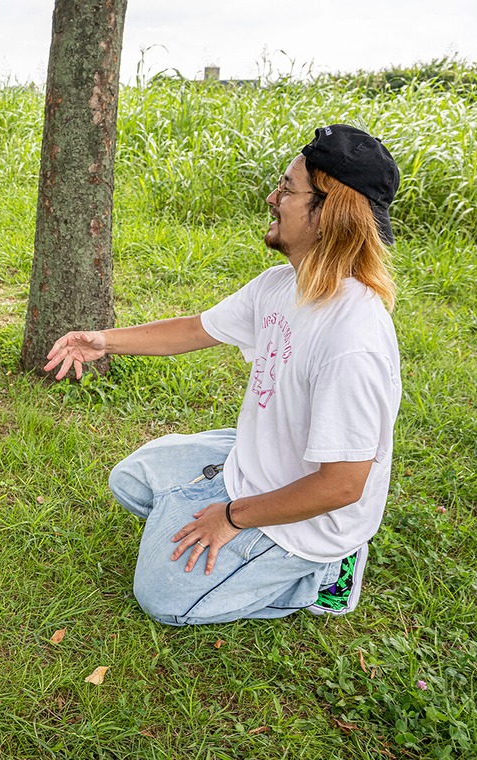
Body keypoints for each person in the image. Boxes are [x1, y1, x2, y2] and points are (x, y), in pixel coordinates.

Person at [44, 124, 402, 626]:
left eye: (287, 190)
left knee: (163, 597)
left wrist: (231, 517)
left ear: (330, 214)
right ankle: (214, 506)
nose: (272, 198)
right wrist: (103, 341)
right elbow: (196, 329)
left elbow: (342, 486)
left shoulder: (352, 340)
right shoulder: (282, 284)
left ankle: (325, 573)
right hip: (257, 461)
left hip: (310, 518)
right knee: (131, 480)